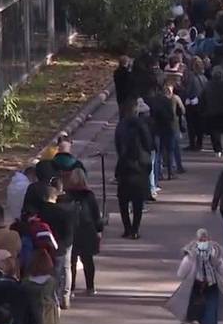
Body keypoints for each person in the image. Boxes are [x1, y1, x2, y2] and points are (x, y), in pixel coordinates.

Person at [165, 229, 223, 324]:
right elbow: (182, 273)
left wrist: (216, 262)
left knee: (205, 319)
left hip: (206, 289)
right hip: (199, 290)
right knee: (201, 319)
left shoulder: (211, 256)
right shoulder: (195, 256)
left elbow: (181, 273)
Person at [114, 99, 153, 240]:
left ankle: (127, 228)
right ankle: (135, 229)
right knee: (137, 202)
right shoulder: (141, 124)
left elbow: (117, 143)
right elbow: (148, 142)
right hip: (140, 167)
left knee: (123, 201)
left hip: (125, 166)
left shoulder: (121, 125)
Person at [61, 168, 104, 296]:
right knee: (88, 260)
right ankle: (90, 287)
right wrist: (99, 229)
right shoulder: (89, 195)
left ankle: (71, 288)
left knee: (71, 261)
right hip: (87, 230)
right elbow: (96, 214)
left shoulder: (66, 196)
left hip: (71, 230)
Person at [38, 183, 76, 309]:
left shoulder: (40, 212)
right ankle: (65, 297)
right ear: (55, 197)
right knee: (65, 269)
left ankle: (52, 297)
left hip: (46, 244)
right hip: (62, 244)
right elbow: (69, 231)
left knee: (50, 271)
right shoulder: (63, 211)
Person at [202, 66, 223, 157]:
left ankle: (218, 150)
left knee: (215, 132)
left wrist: (204, 109)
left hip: (212, 112)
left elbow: (202, 98)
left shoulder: (207, 85)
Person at [183, 59, 208, 151]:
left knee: (191, 125)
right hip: (201, 103)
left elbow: (188, 90)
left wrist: (186, 97)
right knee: (199, 124)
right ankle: (199, 143)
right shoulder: (204, 78)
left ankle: (192, 144)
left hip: (191, 103)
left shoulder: (192, 77)